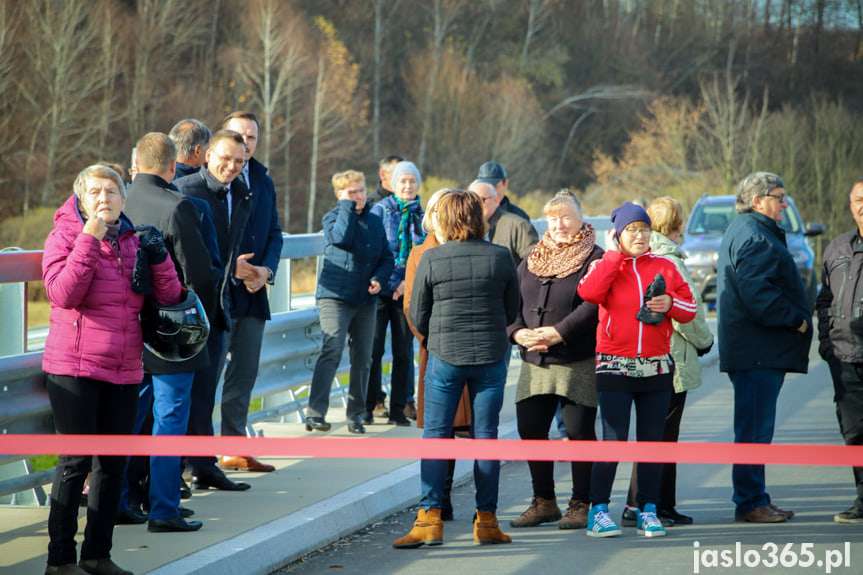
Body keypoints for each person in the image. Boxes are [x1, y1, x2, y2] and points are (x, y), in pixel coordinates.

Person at [42, 164, 181, 574]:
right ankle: (60, 560)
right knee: (74, 464)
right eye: (95, 192)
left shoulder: (134, 240)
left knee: (113, 467)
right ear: (81, 199)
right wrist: (90, 238)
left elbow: (171, 295)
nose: (104, 198)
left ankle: (98, 556)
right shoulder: (65, 235)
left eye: (111, 192)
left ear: (124, 199)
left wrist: (159, 257)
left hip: (124, 369)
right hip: (75, 369)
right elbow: (63, 294)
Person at [395, 189, 518, 548]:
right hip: (491, 359)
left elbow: (417, 313)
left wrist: (438, 340)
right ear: (480, 219)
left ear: (445, 221)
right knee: (486, 439)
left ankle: (429, 520)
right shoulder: (501, 256)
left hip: (445, 357)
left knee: (435, 436)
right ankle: (487, 521)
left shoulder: (432, 258)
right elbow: (511, 311)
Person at [577, 201, 697, 538]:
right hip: (614, 366)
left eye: (644, 229)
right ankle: (598, 510)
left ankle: (648, 509)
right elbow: (588, 292)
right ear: (618, 234)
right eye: (632, 230)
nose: (640, 236)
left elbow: (690, 308)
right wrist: (615, 257)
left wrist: (670, 303)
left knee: (651, 443)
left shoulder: (665, 266)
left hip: (657, 368)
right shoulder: (605, 264)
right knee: (613, 440)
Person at [123, 132, 220, 533]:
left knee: (134, 415)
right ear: (170, 166)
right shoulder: (177, 206)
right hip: (168, 331)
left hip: (126, 327)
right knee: (170, 416)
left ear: (135, 165)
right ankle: (164, 508)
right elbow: (199, 275)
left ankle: (123, 499)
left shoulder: (116, 202)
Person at [717, 172, 812, 523]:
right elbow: (759, 295)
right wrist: (796, 319)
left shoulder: (748, 229)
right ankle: (750, 501)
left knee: (754, 429)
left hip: (753, 350)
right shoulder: (756, 236)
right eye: (779, 196)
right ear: (757, 201)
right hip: (756, 351)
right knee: (754, 431)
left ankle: (755, 497)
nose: (785, 203)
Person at [507, 190, 603, 531]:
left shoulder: (595, 257)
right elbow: (511, 301)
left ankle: (581, 503)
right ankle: (544, 501)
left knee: (578, 431)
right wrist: (517, 333)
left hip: (576, 358)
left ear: (580, 219)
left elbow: (593, 306)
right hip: (534, 361)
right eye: (552, 218)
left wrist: (558, 332)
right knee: (530, 428)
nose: (558, 225)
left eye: (565, 217)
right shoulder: (532, 257)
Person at [622, 197, 714, 528]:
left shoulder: (642, 257)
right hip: (672, 356)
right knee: (663, 434)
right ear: (677, 227)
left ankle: (655, 503)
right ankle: (647, 504)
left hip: (647, 355)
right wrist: (706, 343)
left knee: (655, 433)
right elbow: (689, 313)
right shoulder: (671, 260)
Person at [175, 129, 254, 491]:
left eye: (240, 161)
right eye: (225, 158)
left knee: (206, 393)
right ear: (207, 155)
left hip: (219, 306)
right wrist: (228, 271)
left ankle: (203, 465)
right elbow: (184, 255)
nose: (232, 166)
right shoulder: (185, 191)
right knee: (179, 397)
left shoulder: (241, 192)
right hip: (186, 309)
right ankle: (171, 472)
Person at [216, 111, 284, 472]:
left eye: (252, 138)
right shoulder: (210, 179)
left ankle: (233, 447)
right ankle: (188, 459)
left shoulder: (262, 179)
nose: (246, 143)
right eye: (239, 136)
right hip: (220, 293)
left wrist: (265, 271)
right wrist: (233, 269)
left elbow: (275, 233)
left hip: (254, 292)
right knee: (207, 377)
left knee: (244, 372)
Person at [305, 170, 393, 433]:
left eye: (361, 190)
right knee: (332, 350)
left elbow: (386, 258)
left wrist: (379, 278)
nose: (359, 196)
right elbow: (341, 237)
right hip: (336, 296)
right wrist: (346, 206)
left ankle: (355, 415)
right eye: (351, 192)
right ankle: (315, 413)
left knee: (363, 357)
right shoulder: (332, 217)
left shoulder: (375, 222)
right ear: (339, 195)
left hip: (365, 298)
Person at [403, 189, 470, 521]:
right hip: (437, 352)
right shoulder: (420, 252)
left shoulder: (470, 248)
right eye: (435, 210)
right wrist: (434, 340)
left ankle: (485, 506)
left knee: (470, 428)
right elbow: (412, 307)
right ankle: (439, 497)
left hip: (472, 349)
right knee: (441, 428)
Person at [815, 179, 863, 525]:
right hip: (844, 357)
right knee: (855, 432)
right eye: (858, 200)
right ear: (851, 206)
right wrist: (827, 345)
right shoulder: (837, 247)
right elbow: (824, 301)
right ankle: (862, 500)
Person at [368, 161, 425, 426]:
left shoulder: (422, 216)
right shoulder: (380, 211)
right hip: (380, 290)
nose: (407, 186)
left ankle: (399, 409)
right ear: (393, 183)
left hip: (406, 292)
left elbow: (423, 254)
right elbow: (375, 250)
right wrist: (389, 281)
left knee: (403, 352)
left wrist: (406, 283)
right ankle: (368, 406)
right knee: (374, 350)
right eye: (402, 181)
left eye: (412, 181)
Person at [467, 180, 537, 267]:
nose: (477, 205)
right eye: (472, 201)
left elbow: (535, 264)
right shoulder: (464, 229)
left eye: (482, 200)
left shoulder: (518, 226)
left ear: (496, 201)